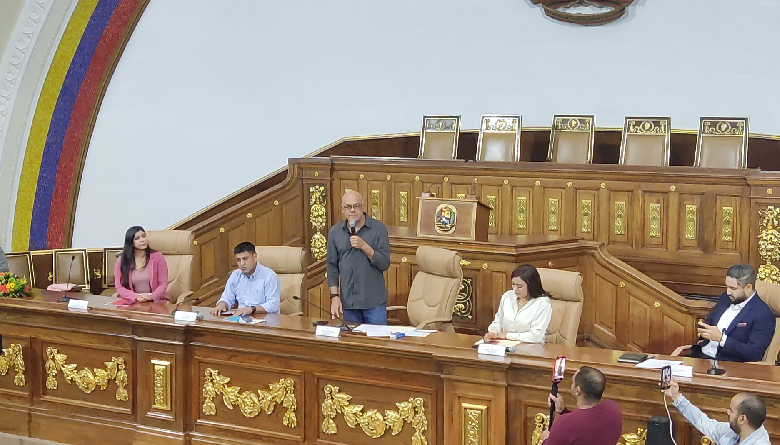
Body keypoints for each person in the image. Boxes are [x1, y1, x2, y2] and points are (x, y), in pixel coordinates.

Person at [684, 264, 775, 362]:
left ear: (748, 288)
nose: (728, 292)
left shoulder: (763, 314)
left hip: (726, 364)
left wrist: (721, 339)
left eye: (733, 288)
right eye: (727, 287)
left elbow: (754, 353)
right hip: (701, 354)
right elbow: (711, 321)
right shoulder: (726, 298)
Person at [327, 191, 390, 325]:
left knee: (377, 338)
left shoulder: (378, 229)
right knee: (352, 338)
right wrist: (334, 296)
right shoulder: (335, 232)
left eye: (356, 206)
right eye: (348, 207)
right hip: (349, 303)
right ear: (342, 209)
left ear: (363, 207)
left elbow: (384, 263)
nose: (352, 210)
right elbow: (332, 266)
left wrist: (364, 246)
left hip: (373, 303)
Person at [664, 376, 770, 444]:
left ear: (742, 419)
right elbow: (704, 422)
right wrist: (676, 397)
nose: (727, 412)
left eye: (731, 410)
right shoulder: (733, 431)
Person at [541, 366, 622, 444]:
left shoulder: (565, 424)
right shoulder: (613, 410)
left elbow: (578, 427)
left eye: (572, 382)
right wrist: (563, 411)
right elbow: (587, 428)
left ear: (578, 390)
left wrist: (545, 439)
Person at [485, 264, 552, 343]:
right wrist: (493, 332)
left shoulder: (543, 303)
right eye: (513, 284)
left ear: (531, 286)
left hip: (531, 347)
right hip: (505, 345)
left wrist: (507, 336)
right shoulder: (507, 296)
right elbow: (498, 321)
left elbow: (535, 336)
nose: (515, 289)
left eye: (519, 286)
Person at [211, 242, 280, 316]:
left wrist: (251, 309)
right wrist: (221, 305)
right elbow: (227, 298)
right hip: (241, 318)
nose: (242, 263)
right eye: (238, 260)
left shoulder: (269, 276)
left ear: (255, 257)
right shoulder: (235, 275)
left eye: (245, 259)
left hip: (265, 319)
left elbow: (273, 305)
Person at [115, 226, 169, 303]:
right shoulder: (122, 260)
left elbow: (163, 283)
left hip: (155, 299)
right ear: (130, 242)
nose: (142, 240)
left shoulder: (158, 256)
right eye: (137, 238)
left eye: (143, 236)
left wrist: (151, 296)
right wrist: (135, 297)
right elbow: (119, 287)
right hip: (133, 300)